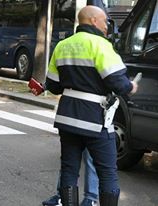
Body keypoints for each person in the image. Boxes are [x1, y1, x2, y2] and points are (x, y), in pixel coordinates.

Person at [31, 5, 138, 206]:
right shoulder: (101, 45)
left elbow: (53, 86)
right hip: (95, 120)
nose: (107, 26)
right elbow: (118, 82)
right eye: (105, 21)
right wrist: (131, 86)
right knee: (107, 172)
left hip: (67, 118)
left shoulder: (62, 45)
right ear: (94, 21)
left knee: (69, 169)